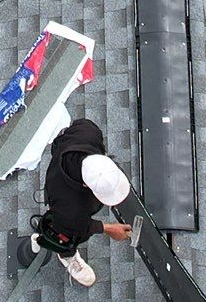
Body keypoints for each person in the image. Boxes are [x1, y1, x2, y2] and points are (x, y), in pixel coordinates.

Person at [10, 117, 133, 287]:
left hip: (59, 177)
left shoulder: (88, 132)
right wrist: (110, 228)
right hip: (62, 206)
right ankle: (67, 254)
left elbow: (71, 130)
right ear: (88, 186)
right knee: (66, 236)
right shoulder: (72, 212)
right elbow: (82, 227)